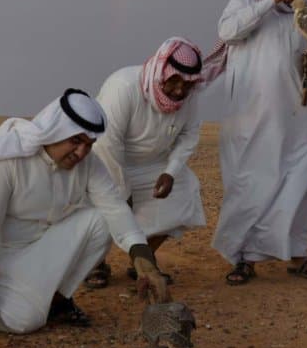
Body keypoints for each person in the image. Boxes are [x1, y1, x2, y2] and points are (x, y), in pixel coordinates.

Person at [0, 89, 171, 335]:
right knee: (21, 321)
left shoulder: (87, 164)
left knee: (101, 221)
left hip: (42, 244)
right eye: (76, 141)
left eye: (89, 145)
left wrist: (143, 258)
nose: (81, 153)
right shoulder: (6, 163)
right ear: (56, 131)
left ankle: (57, 302)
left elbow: (114, 207)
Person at [210, 0, 307, 286]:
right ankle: (242, 258)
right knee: (249, 187)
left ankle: (297, 253)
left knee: (298, 183)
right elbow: (228, 32)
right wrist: (269, 1)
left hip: (295, 117)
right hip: (250, 120)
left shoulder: (304, 15)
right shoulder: (243, 4)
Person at [87, 38, 220, 288]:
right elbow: (107, 143)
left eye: (187, 84)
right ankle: (94, 265)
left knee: (185, 188)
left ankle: (143, 262)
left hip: (151, 164)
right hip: (106, 165)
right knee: (104, 209)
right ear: (162, 71)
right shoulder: (124, 86)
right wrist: (122, 189)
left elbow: (189, 134)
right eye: (175, 81)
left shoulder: (188, 99)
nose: (180, 91)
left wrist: (170, 172)